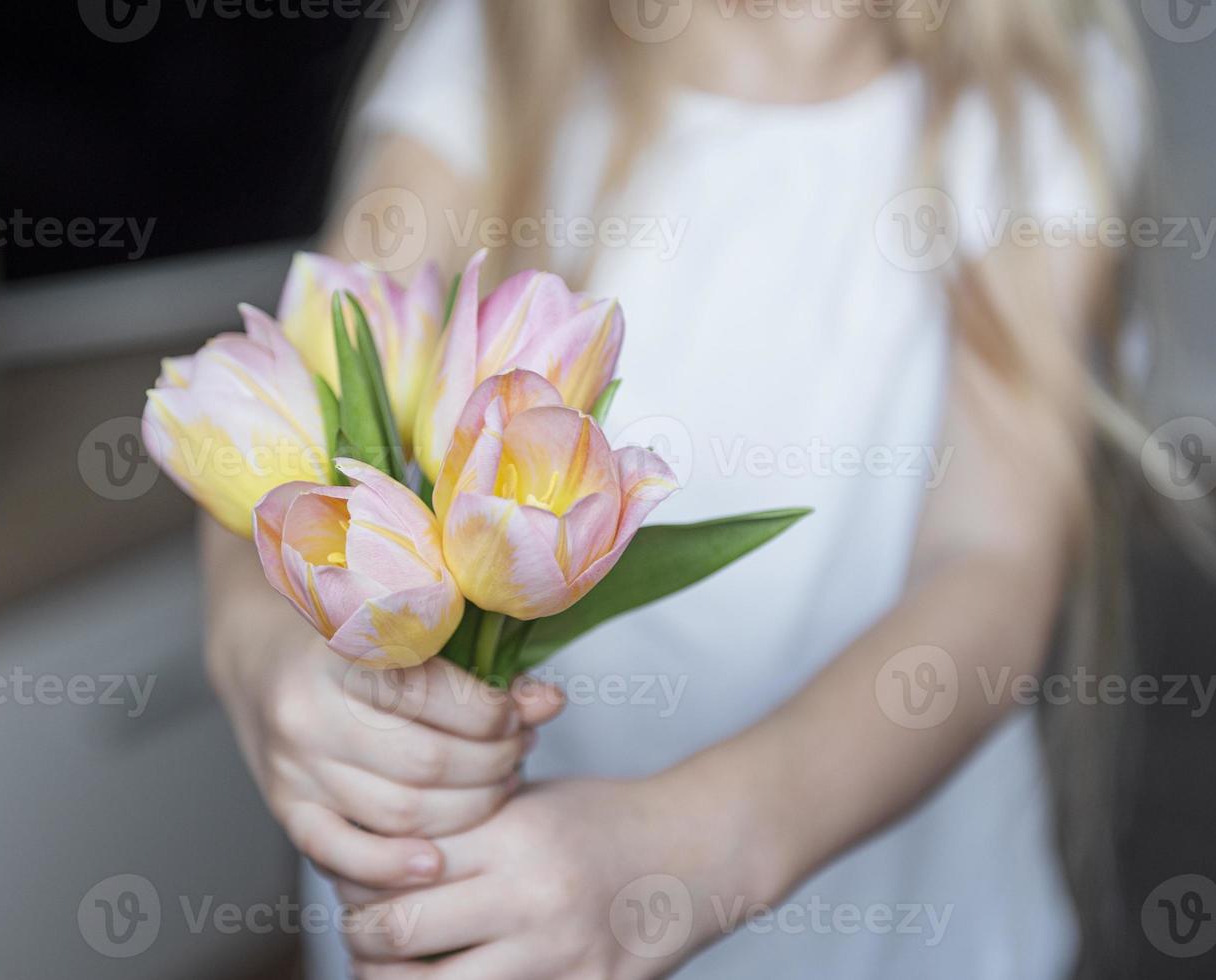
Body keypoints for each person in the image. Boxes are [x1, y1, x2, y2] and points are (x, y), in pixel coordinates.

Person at [200, 0, 1148, 975]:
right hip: (488, 902)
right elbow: (276, 421)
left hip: (878, 928)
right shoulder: (495, 45)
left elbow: (993, 562)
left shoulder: (1027, 101)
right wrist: (265, 649)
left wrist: (695, 851)